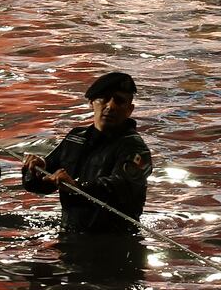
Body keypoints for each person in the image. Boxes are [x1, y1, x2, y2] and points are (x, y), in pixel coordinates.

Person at [22, 72, 153, 233]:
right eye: (104, 98)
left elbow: (121, 187)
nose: (110, 106)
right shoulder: (75, 139)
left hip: (116, 241)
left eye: (119, 101)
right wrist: (33, 169)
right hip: (70, 234)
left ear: (129, 110)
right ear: (92, 103)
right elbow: (39, 186)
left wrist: (77, 187)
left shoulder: (136, 149)